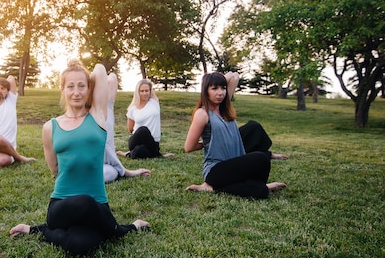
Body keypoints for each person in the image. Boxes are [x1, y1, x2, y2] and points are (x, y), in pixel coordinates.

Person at [9, 60, 149, 257]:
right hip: (61, 206)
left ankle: (37, 230)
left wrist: (80, 71)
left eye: (82, 86)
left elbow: (100, 70)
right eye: (71, 86)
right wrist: (79, 76)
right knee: (84, 202)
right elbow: (55, 170)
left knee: (79, 246)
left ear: (89, 88)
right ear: (62, 89)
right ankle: (120, 229)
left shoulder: (98, 116)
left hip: (97, 203)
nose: (76, 92)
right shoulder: (50, 127)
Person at [184, 71, 287, 199]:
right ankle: (211, 184)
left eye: (223, 88)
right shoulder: (202, 113)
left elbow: (234, 76)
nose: (220, 93)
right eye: (214, 88)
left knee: (260, 189)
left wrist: (218, 80)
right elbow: (188, 147)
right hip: (216, 170)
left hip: (234, 165)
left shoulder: (224, 108)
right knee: (260, 158)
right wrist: (208, 143)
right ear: (205, 91)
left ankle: (211, 187)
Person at [103, 72, 151, 183]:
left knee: (110, 173)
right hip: (86, 165)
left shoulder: (108, 106)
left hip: (104, 166)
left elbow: (112, 77)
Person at [116, 79, 174, 159]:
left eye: (147, 90)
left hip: (153, 142)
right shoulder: (133, 108)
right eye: (141, 91)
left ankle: (127, 154)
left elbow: (151, 89)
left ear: (150, 91)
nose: (144, 93)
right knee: (143, 130)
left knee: (139, 151)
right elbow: (130, 129)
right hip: (136, 141)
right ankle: (158, 155)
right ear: (138, 92)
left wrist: (148, 83)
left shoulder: (154, 102)